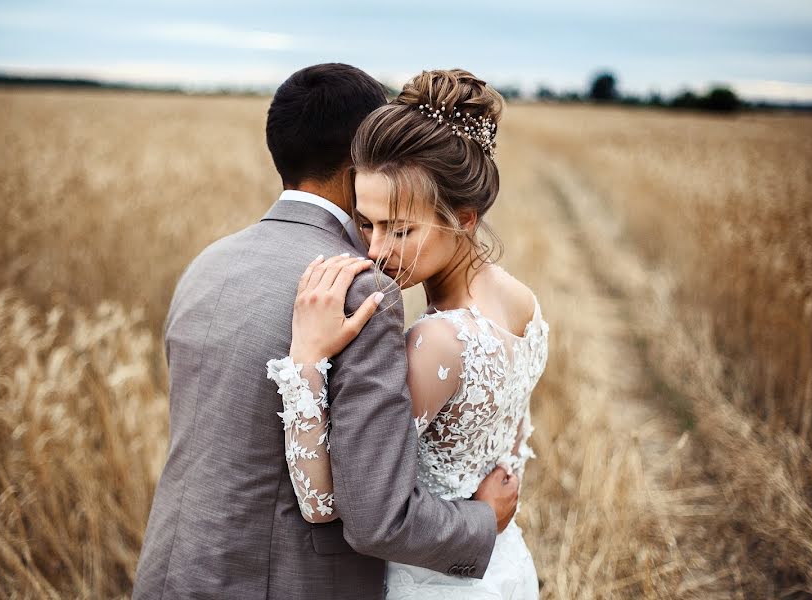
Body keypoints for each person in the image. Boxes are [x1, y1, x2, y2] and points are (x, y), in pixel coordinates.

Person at [131, 63, 519, 600]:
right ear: (358, 160)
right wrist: (481, 522)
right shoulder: (360, 289)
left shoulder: (207, 264)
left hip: (169, 573)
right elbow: (377, 517)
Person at [267, 68, 549, 599]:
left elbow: (329, 500)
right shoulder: (523, 304)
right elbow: (508, 463)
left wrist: (306, 358)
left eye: (401, 231)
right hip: (504, 570)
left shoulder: (436, 343)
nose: (374, 251)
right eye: (367, 223)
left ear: (464, 218)